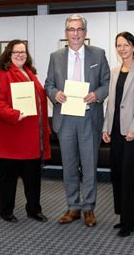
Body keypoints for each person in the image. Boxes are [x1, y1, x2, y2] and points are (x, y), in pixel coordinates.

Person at [44, 14, 110, 227]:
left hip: (89, 117)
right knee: (69, 166)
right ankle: (73, 206)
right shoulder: (55, 56)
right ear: (66, 33)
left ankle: (89, 208)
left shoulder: (98, 54)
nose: (75, 33)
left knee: (89, 165)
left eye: (79, 29)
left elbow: (108, 83)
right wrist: (55, 95)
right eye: (71, 29)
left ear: (85, 32)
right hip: (65, 119)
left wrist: (97, 95)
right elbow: (48, 84)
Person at [0, 40, 51, 223]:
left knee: (33, 177)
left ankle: (34, 209)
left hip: (31, 136)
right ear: (8, 54)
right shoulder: (1, 75)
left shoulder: (30, 73)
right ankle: (6, 210)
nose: (20, 55)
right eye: (16, 52)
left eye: (23, 51)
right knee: (9, 177)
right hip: (11, 135)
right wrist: (13, 114)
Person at [102, 32, 134, 237]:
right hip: (115, 130)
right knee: (118, 174)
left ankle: (130, 221)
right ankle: (125, 215)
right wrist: (106, 127)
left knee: (131, 176)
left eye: (125, 44)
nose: (122, 48)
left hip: (133, 131)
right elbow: (112, 103)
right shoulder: (114, 71)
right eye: (118, 45)